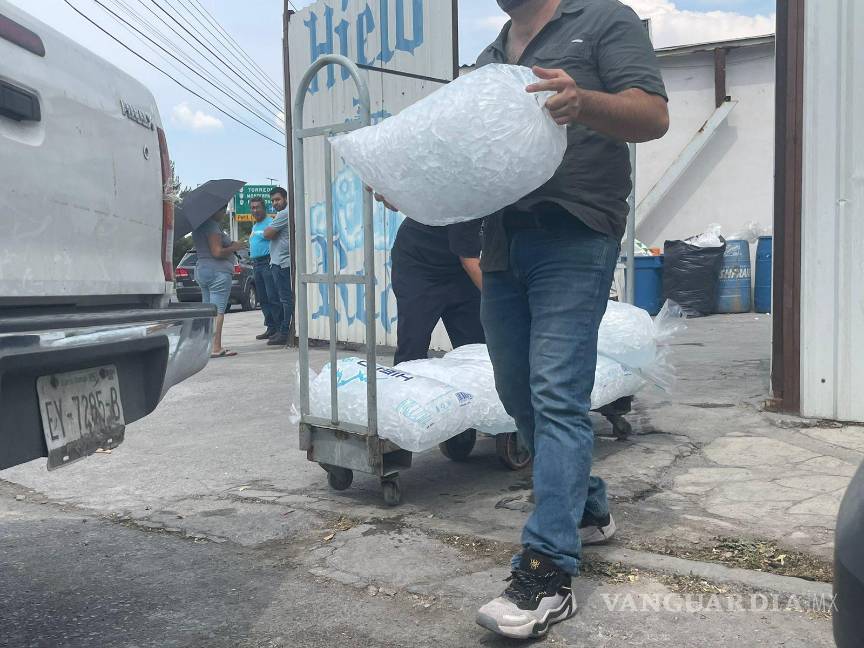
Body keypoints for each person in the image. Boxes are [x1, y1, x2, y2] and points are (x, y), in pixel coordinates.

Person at [470, 0, 669, 639]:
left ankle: (548, 571)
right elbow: (476, 154)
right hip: (503, 239)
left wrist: (583, 101)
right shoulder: (492, 55)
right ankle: (588, 509)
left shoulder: (605, 20)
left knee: (557, 393)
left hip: (576, 230)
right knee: (515, 392)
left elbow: (654, 115)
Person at [390, 218, 485, 365]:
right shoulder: (466, 201)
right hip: (418, 264)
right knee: (413, 344)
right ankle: (405, 383)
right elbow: (469, 261)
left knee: (477, 346)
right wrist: (500, 302)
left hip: (459, 270)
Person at [191, 212, 245, 358]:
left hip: (202, 270)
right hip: (218, 272)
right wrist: (235, 247)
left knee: (207, 311)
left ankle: (207, 346)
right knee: (217, 311)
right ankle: (216, 347)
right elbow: (217, 252)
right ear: (216, 209)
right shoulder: (212, 226)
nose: (224, 212)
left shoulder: (198, 227)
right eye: (224, 208)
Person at [248, 197, 283, 341]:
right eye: (253, 208)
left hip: (267, 262)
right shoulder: (255, 226)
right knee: (262, 298)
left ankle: (280, 329)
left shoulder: (270, 222)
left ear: (264, 208)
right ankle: (270, 327)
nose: (255, 210)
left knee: (272, 297)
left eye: (258, 207)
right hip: (256, 264)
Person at [263, 187, 294, 347]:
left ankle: (284, 332)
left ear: (285, 198)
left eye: (278, 199)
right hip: (278, 262)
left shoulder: (283, 214)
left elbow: (267, 234)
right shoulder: (283, 214)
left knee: (285, 299)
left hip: (282, 263)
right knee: (282, 299)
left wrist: (268, 230)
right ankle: (282, 331)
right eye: (273, 201)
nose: (275, 203)